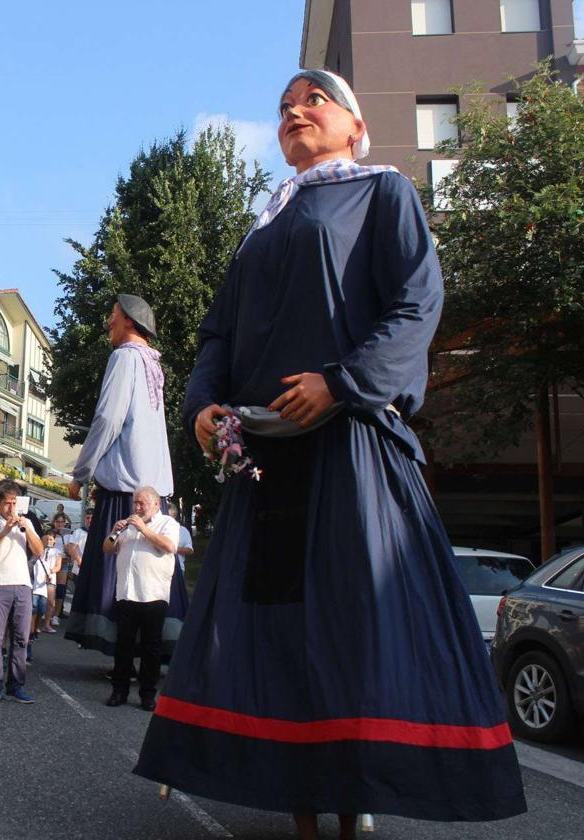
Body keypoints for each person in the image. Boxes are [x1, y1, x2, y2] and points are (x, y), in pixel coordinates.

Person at [133, 70, 526, 834]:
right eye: (283, 107)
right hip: (266, 459)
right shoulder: (262, 227)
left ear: (354, 126)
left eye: (313, 101)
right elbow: (217, 334)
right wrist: (200, 406)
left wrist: (341, 384)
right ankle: (302, 801)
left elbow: (417, 301)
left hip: (349, 445)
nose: (293, 112)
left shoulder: (382, 194)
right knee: (278, 630)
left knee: (351, 626)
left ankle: (356, 800)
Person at [65, 294, 187, 658]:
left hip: (124, 489)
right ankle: (152, 650)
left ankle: (123, 652)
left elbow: (108, 419)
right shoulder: (153, 364)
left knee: (121, 573)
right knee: (156, 572)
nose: (108, 323)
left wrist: (82, 472)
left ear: (129, 321)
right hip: (155, 490)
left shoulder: (124, 358)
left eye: (112, 316)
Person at [102, 485, 179, 711]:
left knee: (150, 648)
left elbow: (169, 546)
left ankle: (147, 695)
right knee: (123, 647)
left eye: (142, 503)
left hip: (153, 594)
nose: (137, 507)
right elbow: (107, 549)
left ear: (156, 504)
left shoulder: (168, 524)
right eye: (135, 503)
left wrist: (143, 528)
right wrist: (114, 533)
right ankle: (119, 691)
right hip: (127, 593)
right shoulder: (129, 525)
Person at [0, 479, 43, 704]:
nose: (11, 508)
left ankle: (16, 685)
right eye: (7, 503)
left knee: (21, 638)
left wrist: (25, 528)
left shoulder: (26, 523)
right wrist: (4, 532)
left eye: (14, 503)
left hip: (22, 584)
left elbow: (39, 550)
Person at [28, 532, 59, 657]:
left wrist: (51, 572)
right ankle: (30, 635)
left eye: (50, 539)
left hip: (47, 584)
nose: (48, 541)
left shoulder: (55, 552)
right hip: (35, 587)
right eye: (45, 539)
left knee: (42, 608)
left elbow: (58, 566)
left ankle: (37, 628)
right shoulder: (36, 553)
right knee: (33, 611)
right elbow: (30, 566)